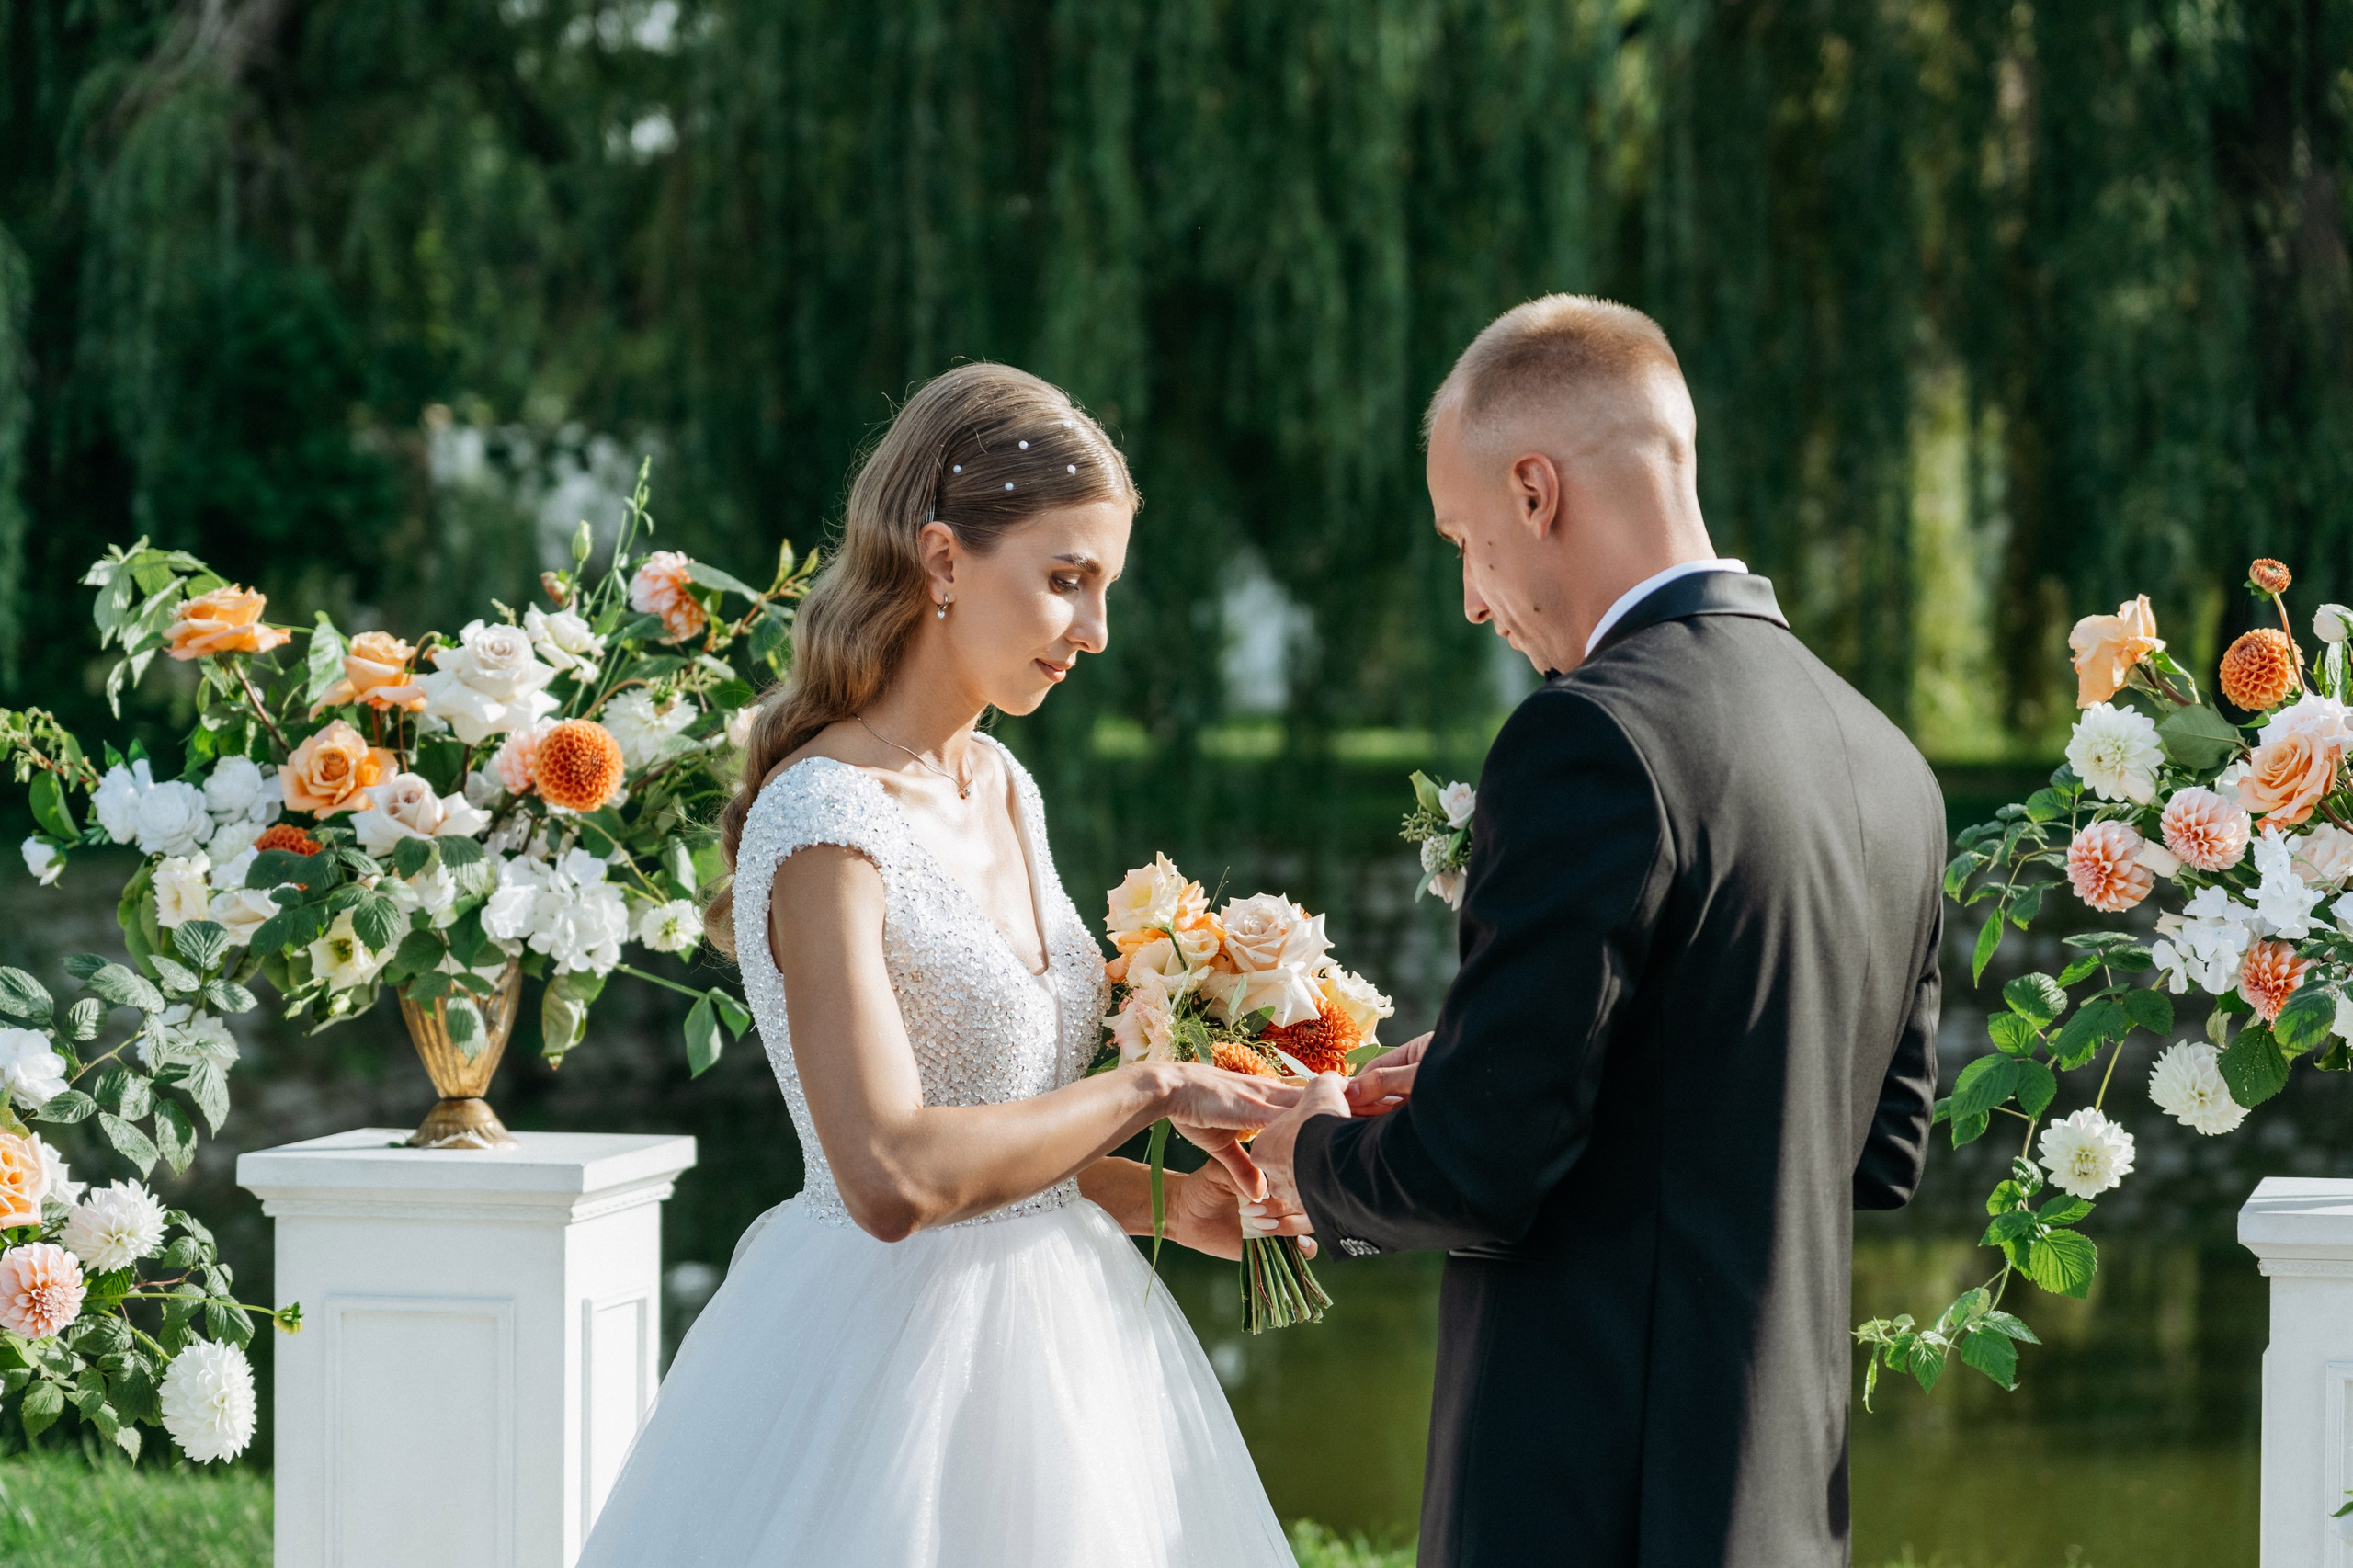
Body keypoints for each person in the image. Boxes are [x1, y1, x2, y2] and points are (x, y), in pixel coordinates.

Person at [1255, 295, 1946, 1567]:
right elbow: (1871, 1151)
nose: (1473, 597)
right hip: (1783, 1508)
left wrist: (1308, 1157)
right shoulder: (1889, 762)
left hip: (1588, 1505)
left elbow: (1478, 1174)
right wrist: (1474, 1074)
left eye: (1462, 537)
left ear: (1534, 492)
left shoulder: (1589, 737)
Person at [577, 363, 1306, 1566]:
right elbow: (892, 1175)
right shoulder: (823, 822)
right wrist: (1157, 1089)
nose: (1096, 630)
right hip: (875, 1366)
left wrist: (1169, 1201)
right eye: (1066, 579)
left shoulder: (1004, 787)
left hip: (1068, 1353)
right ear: (945, 560)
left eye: (1104, 586)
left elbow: (1001, 1138)